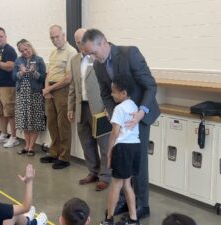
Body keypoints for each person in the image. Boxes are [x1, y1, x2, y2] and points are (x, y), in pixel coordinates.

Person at [82, 29, 160, 219]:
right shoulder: (99, 65)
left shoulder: (130, 54)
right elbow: (105, 93)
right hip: (122, 118)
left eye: (93, 52)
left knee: (137, 162)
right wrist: (112, 113)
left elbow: (150, 85)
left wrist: (141, 112)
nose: (92, 58)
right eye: (88, 54)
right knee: (122, 161)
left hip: (140, 115)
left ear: (104, 44)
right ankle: (125, 201)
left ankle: (142, 205)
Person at [67, 28, 111, 191]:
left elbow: (109, 84)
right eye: (77, 42)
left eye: (82, 41)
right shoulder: (74, 60)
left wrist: (109, 108)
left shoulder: (99, 58)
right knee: (86, 142)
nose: (80, 45)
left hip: (100, 108)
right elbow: (73, 85)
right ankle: (93, 171)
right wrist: (71, 106)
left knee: (104, 144)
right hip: (81, 106)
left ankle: (106, 176)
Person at [101, 76, 140, 225]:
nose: (111, 94)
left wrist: (110, 152)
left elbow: (115, 133)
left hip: (122, 148)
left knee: (116, 184)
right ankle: (133, 219)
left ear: (123, 93)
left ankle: (108, 219)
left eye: (114, 92)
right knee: (127, 184)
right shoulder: (134, 105)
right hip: (134, 146)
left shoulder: (118, 108)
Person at [40, 25, 77, 169]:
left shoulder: (71, 52)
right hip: (50, 90)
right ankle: (54, 152)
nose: (55, 40)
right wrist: (46, 89)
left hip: (62, 90)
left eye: (57, 36)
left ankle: (64, 157)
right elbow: (49, 73)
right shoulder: (53, 53)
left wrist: (50, 88)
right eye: (52, 37)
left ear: (63, 35)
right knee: (52, 123)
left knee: (63, 125)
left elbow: (68, 78)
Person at [13, 39, 46, 156]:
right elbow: (13, 77)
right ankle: (26, 146)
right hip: (22, 94)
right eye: (22, 51)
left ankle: (32, 147)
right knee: (25, 120)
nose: (25, 52)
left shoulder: (39, 60)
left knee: (34, 120)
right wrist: (20, 73)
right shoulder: (18, 60)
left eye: (26, 49)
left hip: (35, 94)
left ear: (30, 47)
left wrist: (34, 72)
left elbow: (43, 78)